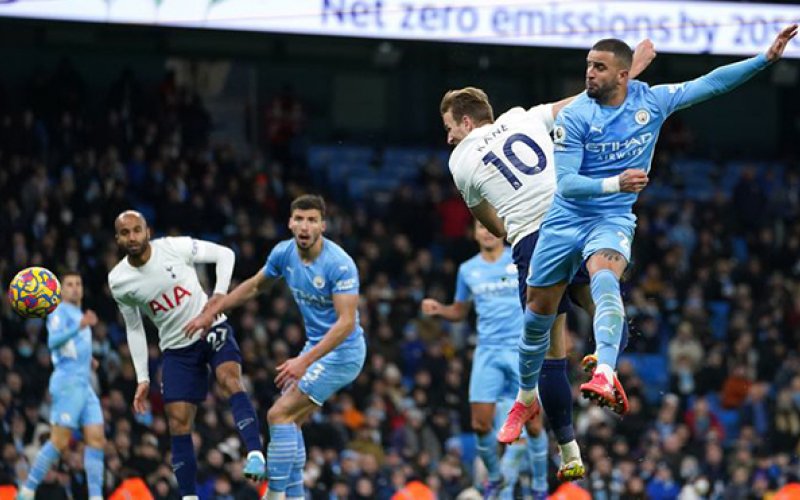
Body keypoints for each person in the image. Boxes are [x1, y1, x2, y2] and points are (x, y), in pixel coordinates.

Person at [510, 24, 797, 427]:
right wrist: (617, 182)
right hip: (565, 219)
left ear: (624, 75)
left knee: (605, 278)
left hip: (610, 218)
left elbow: (711, 84)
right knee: (536, 316)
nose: (588, 73)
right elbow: (568, 183)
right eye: (588, 65)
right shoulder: (575, 116)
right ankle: (524, 396)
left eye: (599, 67)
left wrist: (764, 60)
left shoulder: (652, 102)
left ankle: (605, 373)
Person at [438, 40, 656, 481]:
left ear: (465, 121)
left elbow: (495, 227)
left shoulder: (459, 160)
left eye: (449, 127)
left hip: (537, 241)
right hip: (576, 217)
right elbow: (582, 99)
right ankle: (606, 365)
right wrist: (632, 67)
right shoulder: (524, 116)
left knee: (549, 351)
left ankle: (569, 451)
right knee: (604, 301)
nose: (448, 137)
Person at [185, 194, 366, 500]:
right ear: (290, 223)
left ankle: (275, 495)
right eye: (300, 219)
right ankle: (294, 496)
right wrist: (212, 311)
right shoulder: (284, 253)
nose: (305, 226)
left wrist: (304, 361)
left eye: (312, 220)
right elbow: (255, 285)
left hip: (343, 352)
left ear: (323, 225)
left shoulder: (340, 265)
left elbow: (346, 323)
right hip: (316, 349)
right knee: (289, 422)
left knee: (278, 414)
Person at [108, 210, 265, 500]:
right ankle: (189, 497)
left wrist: (218, 297)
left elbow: (225, 255)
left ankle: (255, 452)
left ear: (147, 231)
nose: (132, 237)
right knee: (178, 421)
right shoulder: (119, 280)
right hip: (177, 349)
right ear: (118, 238)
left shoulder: (173, 247)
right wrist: (142, 377)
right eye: (125, 233)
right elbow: (134, 329)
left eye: (137, 230)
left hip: (210, 328)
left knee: (229, 378)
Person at [421, 220, 548, 499]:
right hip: (487, 351)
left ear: (501, 230)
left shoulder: (520, 258)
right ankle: (494, 476)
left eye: (491, 226)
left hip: (520, 350)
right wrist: (440, 310)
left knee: (534, 423)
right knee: (479, 424)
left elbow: (543, 295)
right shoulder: (467, 270)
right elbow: (460, 310)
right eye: (481, 227)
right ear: (474, 233)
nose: (487, 232)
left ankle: (540, 482)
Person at [17, 272, 105, 500]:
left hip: (84, 384)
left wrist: (89, 361)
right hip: (67, 383)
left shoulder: (78, 313)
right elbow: (53, 342)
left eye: (78, 283)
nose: (75, 288)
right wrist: (80, 325)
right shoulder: (59, 311)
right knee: (59, 440)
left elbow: (72, 349)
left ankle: (96, 497)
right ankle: (27, 490)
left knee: (96, 439)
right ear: (61, 290)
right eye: (69, 285)